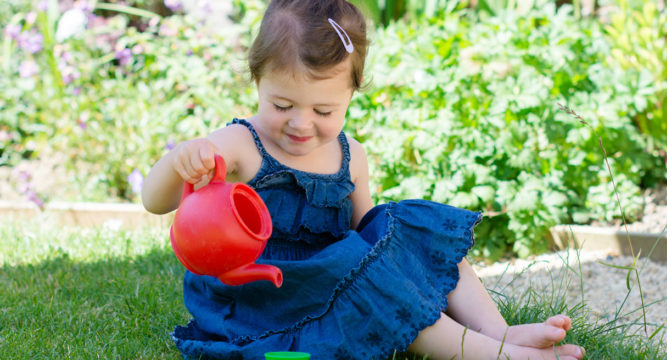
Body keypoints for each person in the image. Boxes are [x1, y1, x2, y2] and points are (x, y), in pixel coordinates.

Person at [142, 0, 586, 359]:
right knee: (372, 280)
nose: (301, 124)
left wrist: (402, 259)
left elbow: (364, 232)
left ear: (351, 93)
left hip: (336, 282)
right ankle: (490, 355)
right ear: (257, 81)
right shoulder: (239, 143)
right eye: (281, 105)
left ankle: (498, 332)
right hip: (267, 297)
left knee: (410, 231)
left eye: (323, 111)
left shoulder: (351, 155)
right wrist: (181, 161)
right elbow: (153, 200)